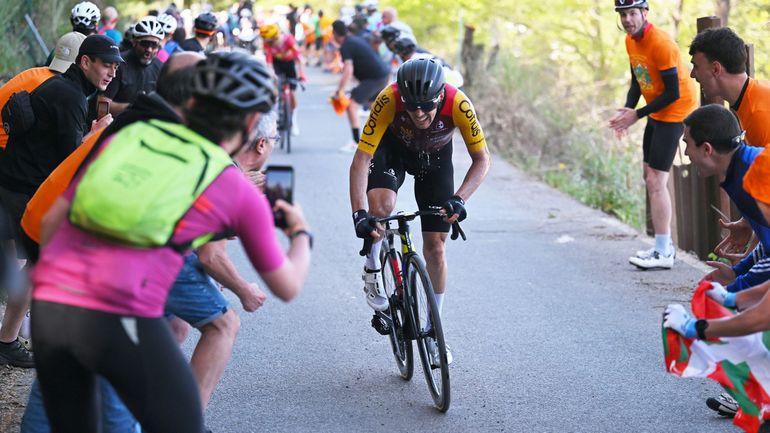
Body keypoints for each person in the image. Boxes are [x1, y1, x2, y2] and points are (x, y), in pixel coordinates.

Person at [30, 51, 311, 432]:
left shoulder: (132, 133)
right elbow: (288, 285)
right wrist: (300, 234)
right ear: (250, 123)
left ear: (193, 101)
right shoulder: (233, 185)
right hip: (116, 317)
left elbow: (52, 225)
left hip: (50, 309)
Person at [349, 58, 490, 367]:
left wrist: (460, 199)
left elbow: (482, 160)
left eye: (426, 106)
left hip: (435, 160)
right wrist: (359, 214)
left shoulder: (459, 103)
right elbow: (361, 159)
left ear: (440, 95)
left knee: (436, 248)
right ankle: (373, 265)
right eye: (412, 107)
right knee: (381, 208)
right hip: (393, 152)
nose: (419, 114)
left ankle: (434, 329)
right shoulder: (388, 99)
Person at [0, 31, 87, 368]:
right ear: (83, 63)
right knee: (39, 259)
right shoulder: (65, 93)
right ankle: (13, 334)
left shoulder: (34, 75)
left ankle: (15, 325)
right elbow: (65, 153)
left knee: (13, 254)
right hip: (18, 176)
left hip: (8, 170)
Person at [608, 0, 697, 270]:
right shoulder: (630, 42)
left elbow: (673, 93)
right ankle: (662, 246)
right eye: (623, 14)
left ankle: (663, 252)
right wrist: (627, 111)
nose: (627, 19)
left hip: (675, 113)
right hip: (657, 112)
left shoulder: (661, 43)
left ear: (645, 13)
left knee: (656, 179)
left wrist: (637, 115)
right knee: (650, 175)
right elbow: (638, 79)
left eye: (632, 13)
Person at [689, 27, 770, 269]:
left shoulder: (759, 113)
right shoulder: (747, 103)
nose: (693, 74)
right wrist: (747, 222)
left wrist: (751, 265)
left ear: (715, 68)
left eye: (696, 66)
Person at [332, 19, 390, 149]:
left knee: (352, 105)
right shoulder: (355, 39)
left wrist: (339, 90)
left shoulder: (346, 45)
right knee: (374, 107)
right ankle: (393, 135)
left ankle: (355, 141)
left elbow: (348, 70)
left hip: (374, 78)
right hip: (382, 75)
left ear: (335, 33)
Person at [98, 16, 164, 117]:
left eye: (154, 45)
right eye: (145, 44)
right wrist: (132, 108)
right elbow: (102, 104)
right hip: (118, 126)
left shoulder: (161, 67)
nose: (149, 49)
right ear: (134, 42)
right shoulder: (119, 64)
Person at [260, 23, 305, 136]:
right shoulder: (267, 44)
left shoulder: (288, 40)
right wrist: (272, 75)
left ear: (276, 37)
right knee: (275, 91)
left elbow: (299, 59)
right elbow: (269, 63)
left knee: (292, 93)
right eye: (267, 41)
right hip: (277, 64)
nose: (268, 44)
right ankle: (274, 119)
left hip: (289, 63)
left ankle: (293, 121)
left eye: (270, 41)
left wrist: (302, 74)